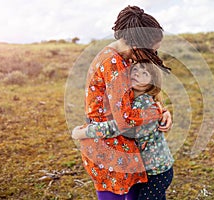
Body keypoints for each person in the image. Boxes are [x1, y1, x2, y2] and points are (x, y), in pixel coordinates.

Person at [72, 5, 172, 200]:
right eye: (152, 51)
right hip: (108, 143)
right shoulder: (113, 63)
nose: (154, 57)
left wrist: (161, 109)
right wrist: (155, 113)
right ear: (137, 44)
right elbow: (125, 119)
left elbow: (138, 95)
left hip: (125, 142)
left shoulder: (125, 57)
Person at [73, 62, 174, 200]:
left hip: (157, 172)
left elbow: (119, 126)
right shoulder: (131, 99)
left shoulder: (142, 103)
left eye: (145, 73)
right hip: (149, 170)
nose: (138, 74)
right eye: (135, 70)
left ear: (153, 81)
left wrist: (85, 132)